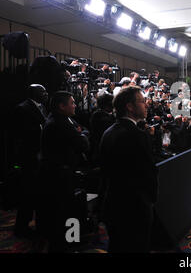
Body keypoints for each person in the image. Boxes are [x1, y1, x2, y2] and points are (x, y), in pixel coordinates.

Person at [99, 86, 159, 253]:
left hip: (113, 204)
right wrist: (151, 201)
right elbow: (148, 173)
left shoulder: (108, 132)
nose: (146, 105)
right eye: (142, 101)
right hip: (135, 209)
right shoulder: (137, 135)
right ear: (130, 107)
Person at [37, 91, 90, 252]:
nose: (75, 105)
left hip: (63, 172)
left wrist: (81, 133)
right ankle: (66, 244)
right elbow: (83, 144)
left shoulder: (65, 120)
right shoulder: (58, 123)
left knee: (67, 211)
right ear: (62, 106)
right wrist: (82, 134)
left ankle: (68, 241)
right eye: (72, 103)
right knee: (64, 213)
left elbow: (84, 132)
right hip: (59, 176)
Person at [13, 84, 48, 238]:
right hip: (29, 156)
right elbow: (20, 134)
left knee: (38, 193)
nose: (46, 94)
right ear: (33, 93)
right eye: (42, 91)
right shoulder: (22, 108)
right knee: (27, 194)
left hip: (40, 156)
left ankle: (39, 226)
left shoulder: (43, 107)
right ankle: (21, 227)